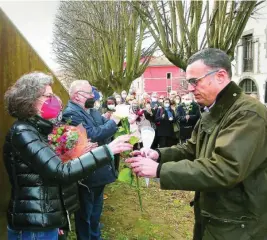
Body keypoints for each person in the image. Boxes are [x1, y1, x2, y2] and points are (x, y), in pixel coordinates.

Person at [126, 48, 267, 240]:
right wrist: (158, 154)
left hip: (238, 222)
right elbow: (191, 148)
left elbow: (225, 168)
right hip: (215, 215)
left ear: (220, 76)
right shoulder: (214, 110)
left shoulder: (247, 114)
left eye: (194, 81)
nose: (190, 88)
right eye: (188, 82)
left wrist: (160, 170)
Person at [3, 72, 132, 240]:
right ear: (30, 100)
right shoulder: (23, 132)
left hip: (46, 217)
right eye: (48, 96)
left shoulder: (39, 129)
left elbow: (48, 169)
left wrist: (79, 154)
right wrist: (107, 150)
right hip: (34, 225)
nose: (54, 100)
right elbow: (60, 171)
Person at [62, 80, 120, 240]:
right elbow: (93, 134)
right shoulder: (71, 114)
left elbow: (102, 130)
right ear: (77, 96)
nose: (92, 96)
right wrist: (112, 122)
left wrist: (107, 122)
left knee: (95, 213)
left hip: (100, 170)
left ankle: (95, 236)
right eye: (89, 93)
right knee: (85, 216)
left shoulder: (91, 111)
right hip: (87, 174)